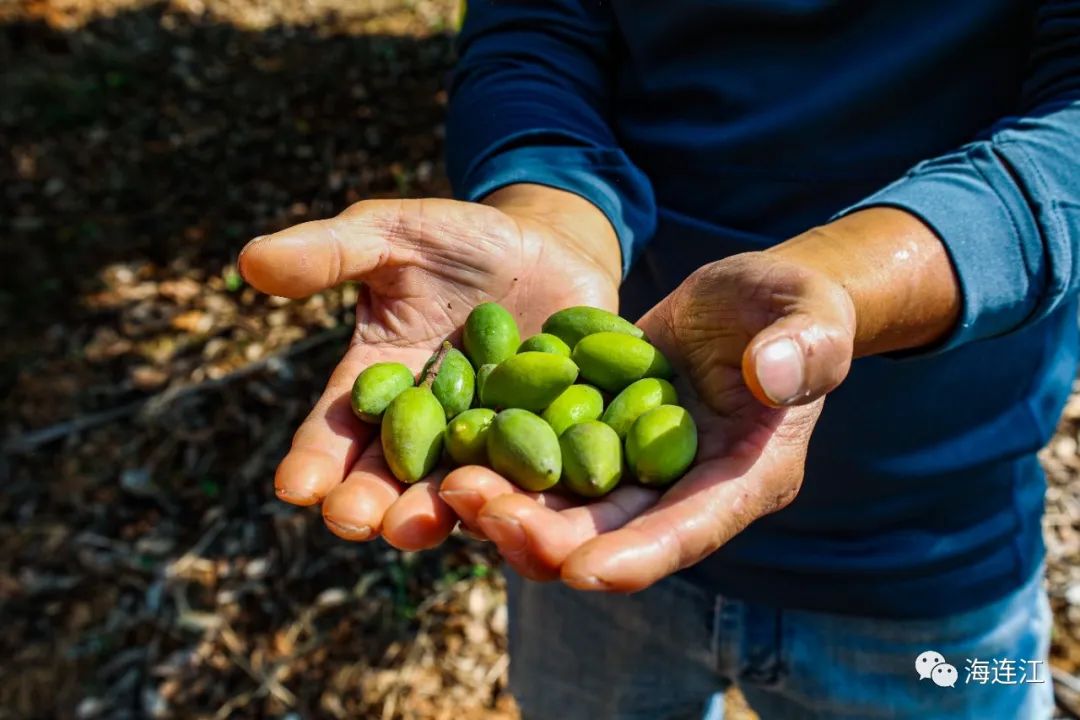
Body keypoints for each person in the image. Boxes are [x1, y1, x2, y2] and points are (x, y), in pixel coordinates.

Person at [237, 1, 1080, 717]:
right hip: (577, 544)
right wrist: (552, 211)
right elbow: (539, 27)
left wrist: (850, 282)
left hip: (931, 563)